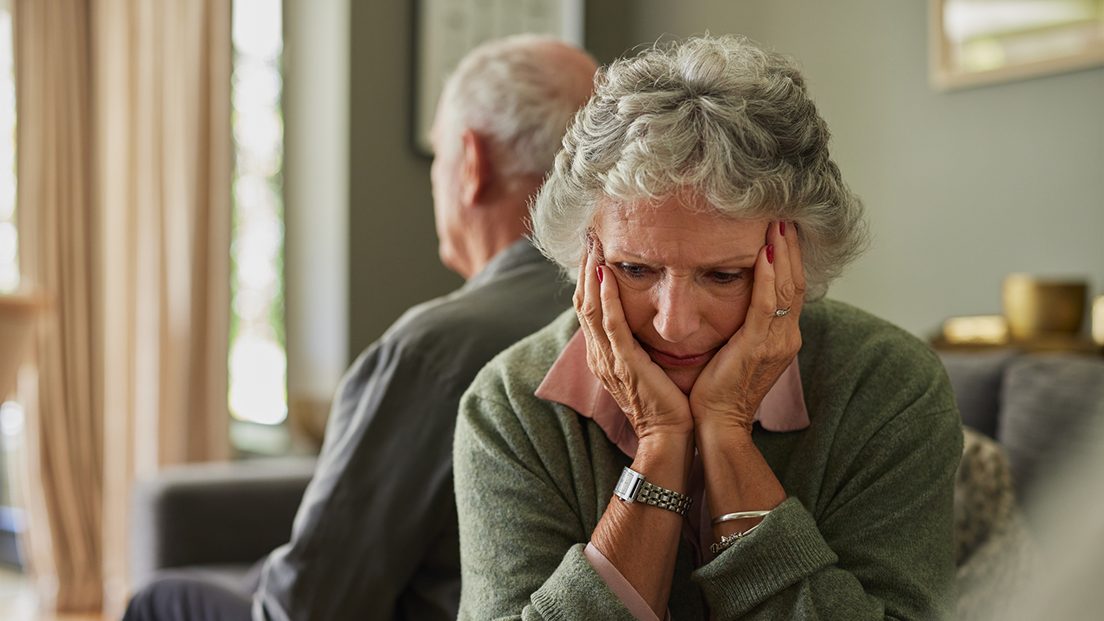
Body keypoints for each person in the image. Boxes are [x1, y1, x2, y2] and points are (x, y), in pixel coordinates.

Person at [453, 35, 964, 620]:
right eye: (635, 269)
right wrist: (661, 446)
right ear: (585, 256)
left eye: (724, 275)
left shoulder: (890, 386)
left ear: (798, 257)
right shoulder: (511, 405)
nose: (673, 323)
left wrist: (726, 437)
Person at [124, 35, 598, 621]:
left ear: (471, 164)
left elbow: (310, 604)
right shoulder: (639, 315)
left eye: (438, 157)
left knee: (159, 599)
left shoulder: (435, 350)